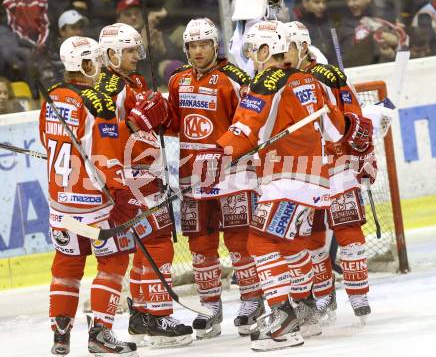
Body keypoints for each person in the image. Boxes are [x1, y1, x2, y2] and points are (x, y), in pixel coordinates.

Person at [215, 19, 345, 351]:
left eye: (251, 50)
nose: (249, 58)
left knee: (260, 244)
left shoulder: (264, 82)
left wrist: (219, 156)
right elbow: (335, 130)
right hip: (314, 180)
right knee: (288, 247)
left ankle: (283, 318)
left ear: (264, 50)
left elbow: (245, 129)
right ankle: (303, 309)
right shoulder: (308, 80)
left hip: (287, 179)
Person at [39, 35, 166, 356]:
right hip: (96, 206)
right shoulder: (98, 101)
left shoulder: (53, 97)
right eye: (93, 59)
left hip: (61, 205)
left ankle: (61, 336)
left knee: (67, 263)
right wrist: (136, 128)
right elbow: (109, 157)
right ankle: (100, 333)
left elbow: (46, 140)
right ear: (84, 63)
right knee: (113, 261)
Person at [164, 17, 263, 339]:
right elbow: (174, 124)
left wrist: (227, 152)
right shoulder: (177, 80)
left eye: (203, 44)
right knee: (201, 244)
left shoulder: (233, 77)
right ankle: (210, 305)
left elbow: (250, 123)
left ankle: (252, 300)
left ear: (215, 45)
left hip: (232, 174)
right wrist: (153, 115)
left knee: (238, 240)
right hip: (193, 175)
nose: (197, 51)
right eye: (191, 46)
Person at [96, 22, 193, 348]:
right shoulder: (108, 88)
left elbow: (153, 122)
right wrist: (136, 121)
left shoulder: (133, 81)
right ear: (110, 54)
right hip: (132, 174)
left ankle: (141, 314)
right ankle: (156, 314)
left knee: (150, 243)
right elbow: (105, 137)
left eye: (136, 49)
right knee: (157, 242)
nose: (136, 55)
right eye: (128, 50)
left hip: (148, 172)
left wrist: (158, 112)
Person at [284, 21, 377, 321]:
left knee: (348, 229)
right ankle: (325, 297)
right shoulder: (279, 81)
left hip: (337, 166)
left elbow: (355, 119)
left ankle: (358, 294)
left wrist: (364, 156)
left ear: (303, 47)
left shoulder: (328, 75)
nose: (284, 55)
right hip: (305, 169)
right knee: (311, 236)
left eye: (289, 48)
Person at [294, 0, 337, 64]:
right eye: (317, 2)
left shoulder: (331, 23)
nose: (321, 6)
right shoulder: (299, 28)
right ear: (305, 3)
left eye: (324, 2)